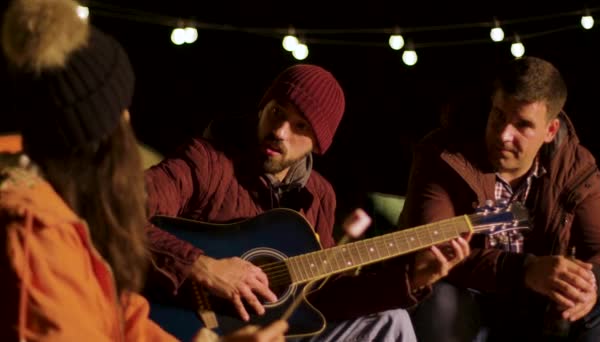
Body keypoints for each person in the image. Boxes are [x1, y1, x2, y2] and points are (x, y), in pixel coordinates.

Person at [0, 0, 288, 341]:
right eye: (122, 113)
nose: (129, 122)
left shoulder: (69, 209)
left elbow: (120, 317)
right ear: (96, 137)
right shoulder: (35, 236)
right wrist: (201, 265)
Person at [143, 60, 471, 341]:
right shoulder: (207, 161)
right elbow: (118, 211)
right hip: (194, 327)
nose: (281, 132)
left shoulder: (319, 196)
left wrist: (413, 279)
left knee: (391, 321)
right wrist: (203, 266)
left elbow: (324, 297)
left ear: (317, 143)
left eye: (300, 125)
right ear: (262, 109)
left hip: (276, 333)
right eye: (276, 112)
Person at [399, 56, 600, 341]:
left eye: (522, 125)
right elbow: (429, 252)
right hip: (468, 292)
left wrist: (591, 282)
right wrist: (523, 269)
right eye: (499, 115)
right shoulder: (443, 154)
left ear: (550, 131)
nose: (504, 134)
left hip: (540, 303)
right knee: (440, 299)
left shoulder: (576, 167)